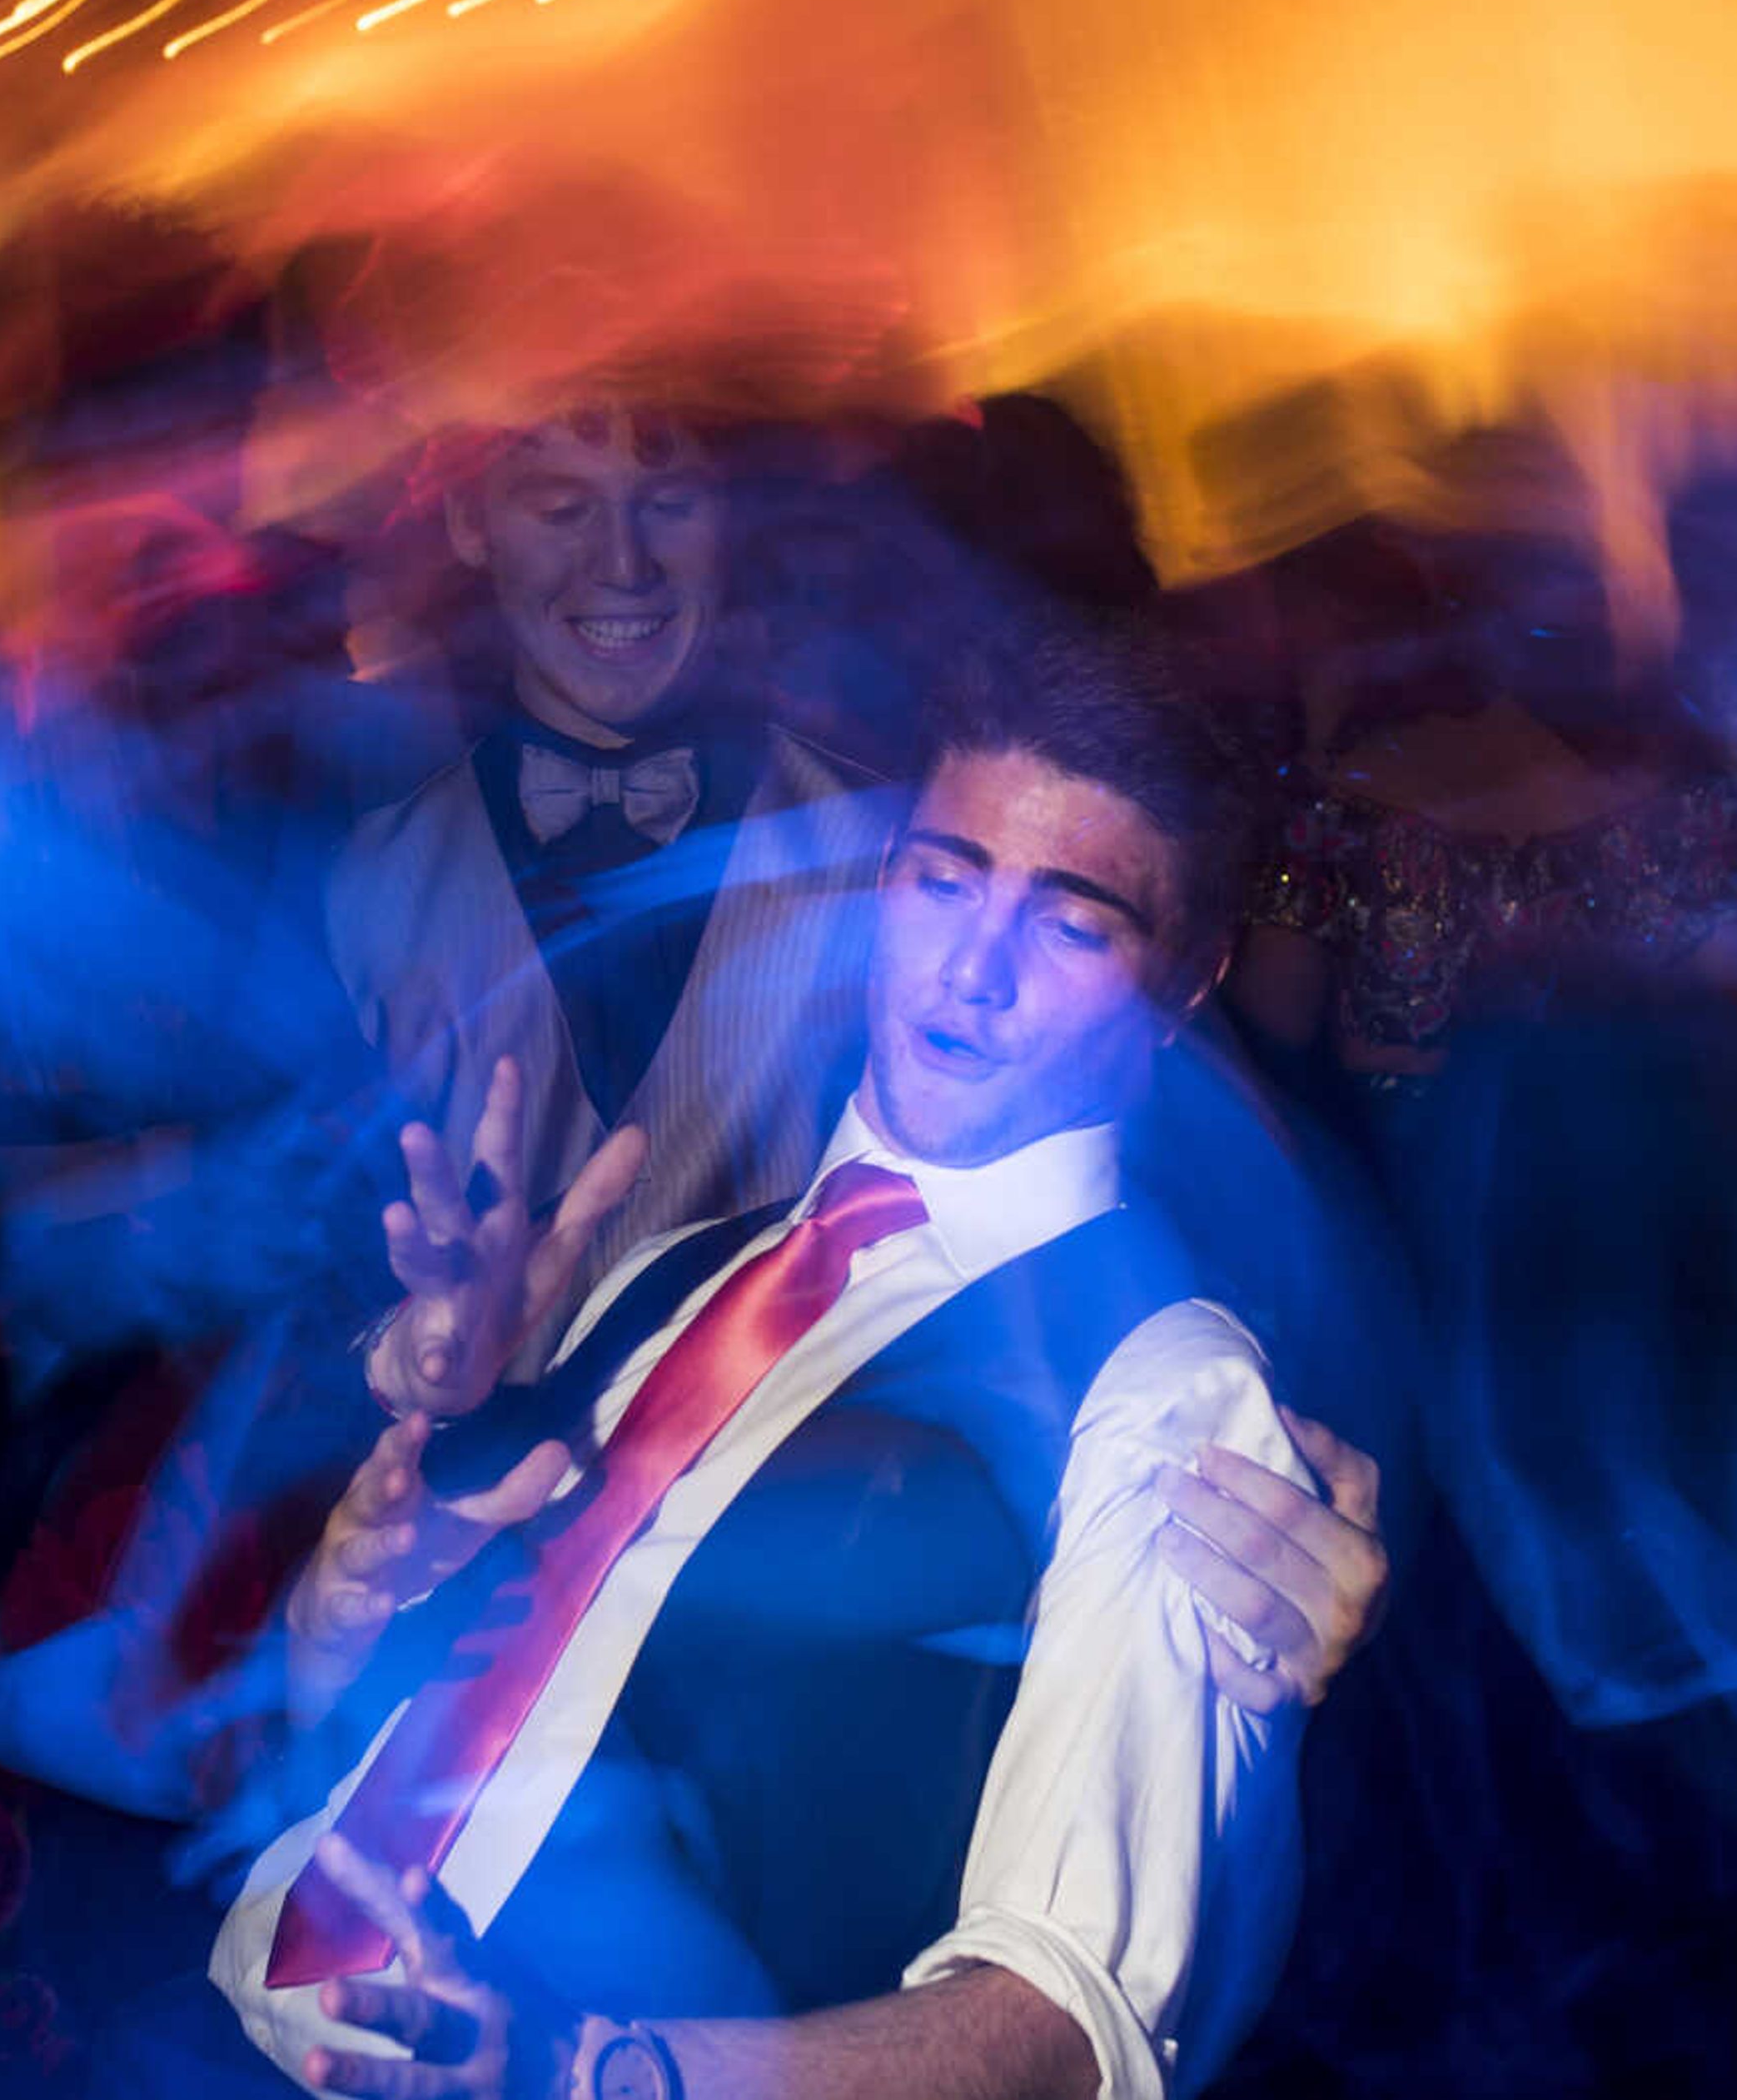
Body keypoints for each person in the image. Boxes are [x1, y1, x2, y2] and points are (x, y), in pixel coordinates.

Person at [182, 614, 1331, 2100]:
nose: (971, 969)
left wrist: (586, 2074)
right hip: (250, 2017)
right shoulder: (681, 1273)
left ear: (1182, 986)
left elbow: (1060, 2027)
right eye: (944, 879)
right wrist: (344, 1606)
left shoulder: (1167, 1391)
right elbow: (409, 1717)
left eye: (1070, 923)